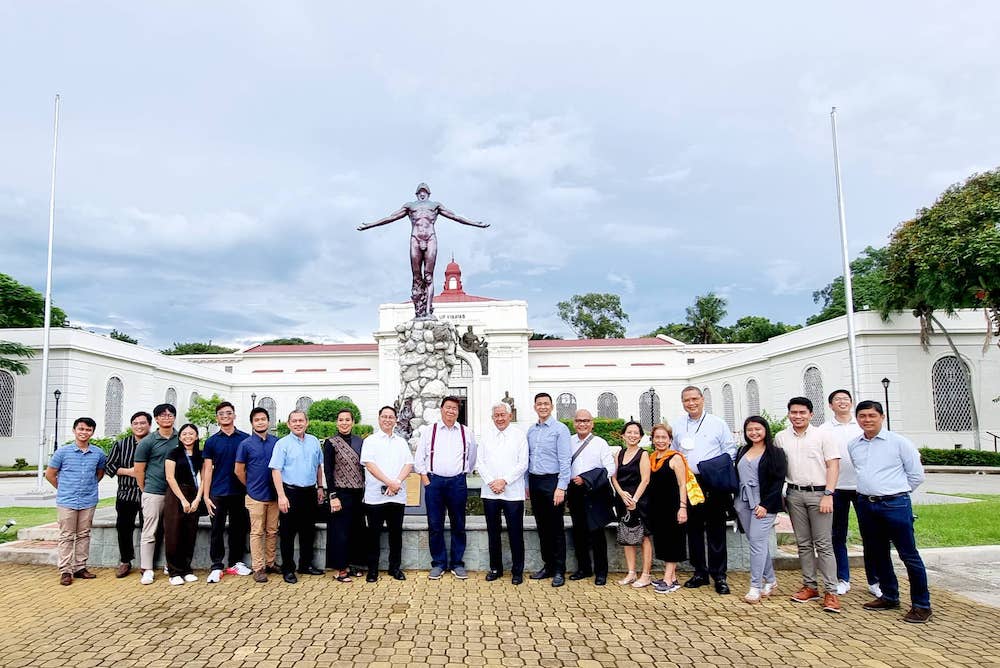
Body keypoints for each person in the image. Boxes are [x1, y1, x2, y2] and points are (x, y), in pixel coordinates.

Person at [849, 400, 932, 623]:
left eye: (871, 416)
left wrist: (896, 492)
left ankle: (921, 605)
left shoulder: (899, 443)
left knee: (909, 555)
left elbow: (916, 475)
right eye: (862, 416)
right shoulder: (854, 444)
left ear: (882, 417)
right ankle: (889, 595)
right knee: (878, 553)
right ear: (857, 419)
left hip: (895, 504)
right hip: (866, 504)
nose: (867, 420)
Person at [357, 183, 489, 318]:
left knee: (428, 276)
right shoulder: (410, 206)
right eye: (420, 191)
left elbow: (455, 216)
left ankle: (427, 311)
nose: (422, 193)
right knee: (416, 276)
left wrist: (475, 223)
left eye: (424, 191)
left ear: (428, 194)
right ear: (416, 194)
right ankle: (418, 310)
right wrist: (370, 225)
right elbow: (391, 217)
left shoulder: (435, 206)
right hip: (415, 238)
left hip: (430, 238)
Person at [775, 397, 841, 613]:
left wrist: (829, 493)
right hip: (794, 494)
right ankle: (810, 586)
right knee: (803, 544)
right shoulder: (781, 437)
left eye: (802, 412)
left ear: (811, 414)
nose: (797, 416)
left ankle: (831, 591)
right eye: (793, 412)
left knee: (823, 544)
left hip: (820, 493)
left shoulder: (823, 435)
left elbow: (833, 465)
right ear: (788, 414)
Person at [671, 386, 736, 594]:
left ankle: (719, 575)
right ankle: (700, 571)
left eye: (694, 399)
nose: (691, 403)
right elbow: (674, 451)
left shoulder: (718, 423)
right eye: (686, 400)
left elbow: (730, 451)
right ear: (682, 402)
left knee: (716, 529)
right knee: (694, 529)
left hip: (713, 482)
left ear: (702, 399)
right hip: (690, 481)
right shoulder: (678, 424)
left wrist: (717, 471)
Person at [818, 388, 879, 597]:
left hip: (863, 488)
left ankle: (875, 580)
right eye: (837, 400)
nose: (842, 402)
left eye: (846, 399)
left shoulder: (862, 425)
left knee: (870, 535)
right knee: (837, 535)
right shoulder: (824, 429)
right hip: (836, 488)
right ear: (830, 405)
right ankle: (842, 578)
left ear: (851, 403)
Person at [414, 396, 478, 580]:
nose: (451, 411)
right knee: (435, 525)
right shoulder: (429, 431)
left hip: (457, 483)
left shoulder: (466, 432)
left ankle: (457, 564)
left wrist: (463, 474)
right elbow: (419, 459)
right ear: (441, 409)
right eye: (448, 407)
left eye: (454, 409)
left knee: (459, 524)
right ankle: (439, 564)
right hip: (434, 483)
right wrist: (427, 481)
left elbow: (471, 458)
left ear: (458, 412)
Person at [45, 417, 107, 586]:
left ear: (92, 432)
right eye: (81, 429)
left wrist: (88, 487)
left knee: (84, 534)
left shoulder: (98, 453)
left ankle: (80, 567)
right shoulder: (62, 452)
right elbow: (50, 474)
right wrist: (64, 488)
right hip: (67, 501)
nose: (84, 432)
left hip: (88, 500)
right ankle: (65, 570)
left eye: (88, 430)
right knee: (66, 535)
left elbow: (99, 474)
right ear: (74, 430)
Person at [733, 416, 787, 603]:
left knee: (757, 543)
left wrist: (765, 504)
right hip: (743, 502)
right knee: (757, 544)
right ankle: (771, 580)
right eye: (750, 430)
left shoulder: (775, 452)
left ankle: (755, 585)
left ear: (765, 430)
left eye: (758, 429)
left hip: (763, 504)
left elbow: (777, 482)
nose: (754, 433)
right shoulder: (743, 450)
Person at [269, 410, 325, 584]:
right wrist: (281, 496)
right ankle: (288, 569)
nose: (298, 424)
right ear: (288, 424)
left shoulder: (314, 441)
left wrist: (320, 486)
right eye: (294, 421)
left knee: (308, 532)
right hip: (290, 492)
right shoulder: (282, 444)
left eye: (301, 420)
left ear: (307, 423)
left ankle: (305, 565)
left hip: (309, 492)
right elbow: (276, 470)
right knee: (287, 534)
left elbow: (318, 466)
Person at [477, 401, 529, 584]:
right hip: (490, 493)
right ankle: (495, 568)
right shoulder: (486, 436)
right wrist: (492, 481)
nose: (499, 418)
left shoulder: (519, 436)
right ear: (492, 418)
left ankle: (517, 571)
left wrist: (504, 480)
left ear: (509, 416)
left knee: (516, 533)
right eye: (496, 415)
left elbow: (523, 463)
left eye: (502, 415)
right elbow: (479, 462)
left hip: (512, 492)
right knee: (493, 533)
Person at [360, 406, 414, 582]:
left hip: (397, 496)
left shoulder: (401, 442)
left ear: (395, 420)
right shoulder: (370, 441)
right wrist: (389, 482)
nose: (387, 420)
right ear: (379, 419)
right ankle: (373, 570)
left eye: (391, 417)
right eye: (384, 416)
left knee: (395, 535)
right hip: (375, 497)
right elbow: (369, 464)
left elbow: (408, 464)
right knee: (373, 535)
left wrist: (396, 482)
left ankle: (394, 568)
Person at [526, 392, 572, 587]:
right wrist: (527, 485)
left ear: (551, 407)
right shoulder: (531, 430)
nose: (543, 407)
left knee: (555, 528)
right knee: (542, 527)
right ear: (535, 407)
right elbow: (528, 459)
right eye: (539, 404)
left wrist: (561, 487)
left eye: (546, 404)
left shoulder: (560, 429)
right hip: (535, 482)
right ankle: (548, 566)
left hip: (552, 483)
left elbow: (565, 460)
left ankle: (560, 569)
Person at [202, 401, 251, 583]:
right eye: (221, 414)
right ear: (217, 418)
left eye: (228, 413)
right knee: (217, 529)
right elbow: (207, 470)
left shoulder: (245, 439)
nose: (225, 416)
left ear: (234, 415)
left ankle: (235, 563)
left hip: (239, 492)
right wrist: (206, 496)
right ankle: (216, 565)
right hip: (217, 492)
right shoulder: (212, 442)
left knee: (239, 529)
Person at [566, 409, 615, 586]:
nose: (582, 424)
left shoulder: (600, 443)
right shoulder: (569, 441)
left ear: (592, 423)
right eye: (579, 420)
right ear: (574, 423)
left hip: (594, 491)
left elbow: (610, 469)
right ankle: (583, 568)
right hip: (574, 492)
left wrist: (586, 479)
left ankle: (601, 572)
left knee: (596, 533)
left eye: (586, 421)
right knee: (579, 532)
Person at [134, 403, 179, 585]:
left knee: (172, 530)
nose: (166, 418)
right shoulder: (148, 441)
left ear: (174, 417)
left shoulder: (181, 437)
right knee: (150, 531)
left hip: (175, 493)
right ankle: (147, 568)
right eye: (162, 415)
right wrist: (145, 489)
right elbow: (139, 470)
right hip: (154, 492)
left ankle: (171, 565)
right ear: (157, 419)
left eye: (170, 415)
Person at [235, 407, 281, 583]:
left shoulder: (276, 442)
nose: (260, 422)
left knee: (272, 531)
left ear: (268, 422)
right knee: (256, 532)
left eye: (263, 419)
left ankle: (270, 563)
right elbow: (238, 470)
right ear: (252, 423)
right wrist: (250, 485)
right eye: (257, 420)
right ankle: (258, 567)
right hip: (255, 495)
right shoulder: (245, 444)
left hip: (274, 495)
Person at [105, 411, 152, 578]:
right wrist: (131, 472)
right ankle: (125, 560)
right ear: (131, 426)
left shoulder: (155, 443)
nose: (139, 426)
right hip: (126, 494)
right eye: (136, 423)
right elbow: (109, 467)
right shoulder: (121, 444)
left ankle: (148, 564)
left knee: (151, 529)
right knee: (124, 528)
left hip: (150, 493)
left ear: (149, 425)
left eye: (143, 423)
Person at [323, 408, 366, 582]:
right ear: (337, 422)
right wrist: (332, 496)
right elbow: (328, 471)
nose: (344, 423)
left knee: (356, 530)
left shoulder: (359, 442)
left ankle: (354, 564)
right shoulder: (331, 442)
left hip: (358, 493)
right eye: (341, 420)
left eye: (347, 420)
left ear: (353, 422)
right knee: (339, 532)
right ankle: (340, 569)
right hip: (340, 493)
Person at [646, 423, 688, 594]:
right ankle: (672, 577)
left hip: (673, 506)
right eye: (657, 437)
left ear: (670, 440)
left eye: (664, 437)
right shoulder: (652, 458)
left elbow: (682, 484)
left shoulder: (675, 458)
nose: (660, 440)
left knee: (673, 541)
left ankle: (668, 579)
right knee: (663, 540)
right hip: (658, 507)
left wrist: (683, 507)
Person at [611, 421, 653, 588]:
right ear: (623, 435)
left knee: (643, 536)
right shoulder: (618, 454)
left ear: (641, 436)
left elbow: (646, 479)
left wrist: (634, 501)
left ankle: (646, 574)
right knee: (627, 535)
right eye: (629, 432)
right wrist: (621, 494)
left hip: (639, 501)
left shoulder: (643, 454)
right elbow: (613, 477)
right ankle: (631, 573)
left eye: (636, 433)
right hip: (623, 499)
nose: (632, 435)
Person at [163, 423, 205, 585]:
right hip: (176, 495)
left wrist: (197, 499)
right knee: (174, 532)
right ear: (180, 437)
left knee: (190, 532)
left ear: (196, 436)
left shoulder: (199, 455)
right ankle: (174, 572)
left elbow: (203, 478)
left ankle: (187, 569)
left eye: (191, 433)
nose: (188, 436)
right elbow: (170, 477)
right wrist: (182, 499)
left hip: (194, 494)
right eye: (185, 434)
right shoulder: (173, 453)